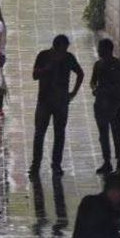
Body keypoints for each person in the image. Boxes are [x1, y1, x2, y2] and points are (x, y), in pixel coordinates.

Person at [29, 35, 84, 177]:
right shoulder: (43, 56)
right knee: (39, 133)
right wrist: (46, 69)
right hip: (44, 101)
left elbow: (80, 73)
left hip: (61, 102)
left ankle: (56, 164)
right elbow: (34, 75)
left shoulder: (68, 58)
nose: (64, 52)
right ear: (55, 47)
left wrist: (73, 93)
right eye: (63, 49)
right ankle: (36, 165)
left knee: (59, 133)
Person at [90, 39, 120, 174]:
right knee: (103, 135)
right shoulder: (98, 65)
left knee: (116, 134)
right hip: (100, 105)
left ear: (108, 50)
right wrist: (95, 88)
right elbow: (92, 81)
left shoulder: (117, 65)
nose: (98, 51)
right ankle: (107, 162)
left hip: (114, 105)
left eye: (101, 49)